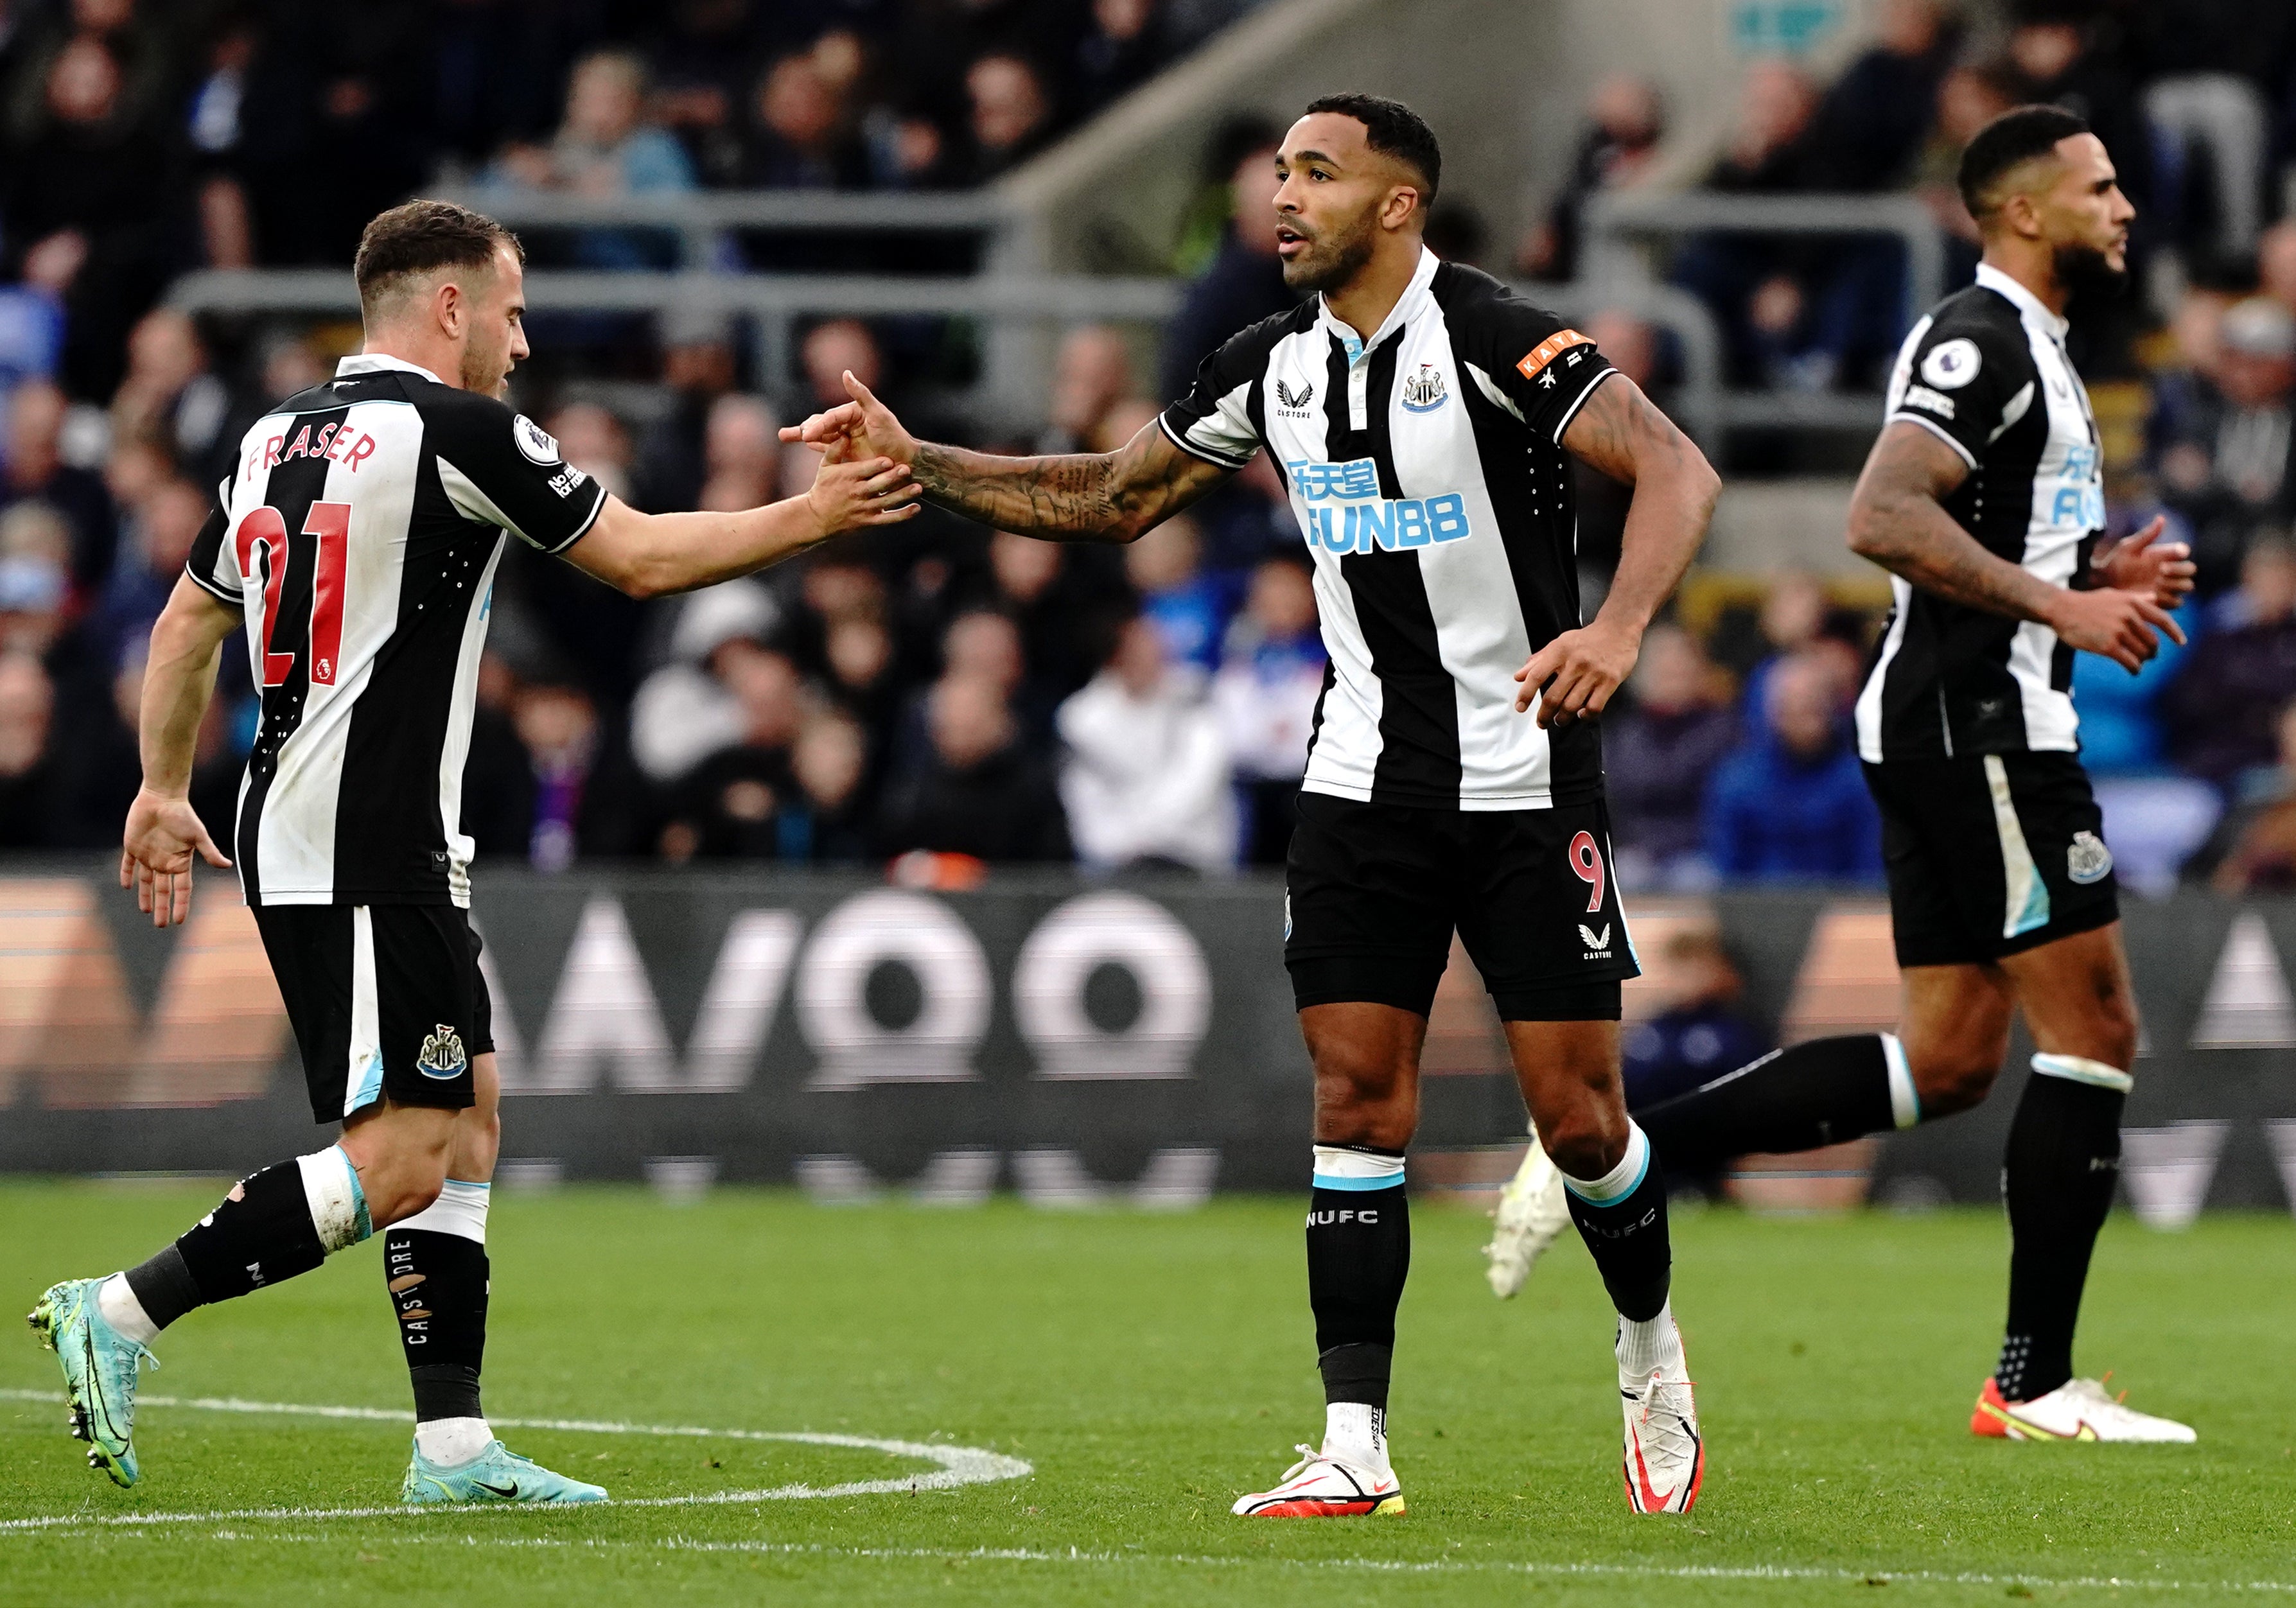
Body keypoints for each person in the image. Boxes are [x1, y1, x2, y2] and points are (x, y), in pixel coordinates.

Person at [786, 93, 1723, 1515]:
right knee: (1355, 1101)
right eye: (1278, 172)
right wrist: (921, 463)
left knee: (1580, 1121)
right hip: (1357, 784)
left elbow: (1673, 464)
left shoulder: (1488, 334)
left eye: (1315, 174)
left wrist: (1619, 625)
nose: (1280, 197)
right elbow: (1110, 495)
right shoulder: (1269, 363)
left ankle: (1650, 1353)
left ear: (1394, 204)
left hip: (1525, 773)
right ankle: (1352, 1443)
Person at [28, 198, 919, 1501]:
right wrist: (816, 517)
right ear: (446, 305)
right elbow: (641, 560)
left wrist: (164, 786)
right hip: (362, 836)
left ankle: (450, 1444)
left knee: (473, 1112)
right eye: (509, 308)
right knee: (399, 1155)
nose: (520, 335)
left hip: (340, 828)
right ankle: (119, 1311)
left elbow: (182, 622)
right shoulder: (458, 431)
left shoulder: (269, 434)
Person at [1503, 108, 2202, 1444]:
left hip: (1956, 719)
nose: (2121, 206)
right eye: (2096, 186)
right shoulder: (1976, 337)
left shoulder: (2036, 352)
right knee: (2094, 1032)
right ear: (2015, 211)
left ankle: (1619, 1153)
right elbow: (1878, 514)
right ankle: (2031, 1379)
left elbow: (1969, 535)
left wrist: (2081, 576)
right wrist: (2057, 616)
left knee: (1945, 1061)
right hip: (1981, 729)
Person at [1701, 649, 1882, 884]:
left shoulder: (1861, 782)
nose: (1804, 713)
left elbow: (1871, 871)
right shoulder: (1736, 781)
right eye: (1791, 704)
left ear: (1833, 706)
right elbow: (1726, 871)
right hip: (1758, 909)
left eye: (1813, 703)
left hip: (1842, 909)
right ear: (1770, 710)